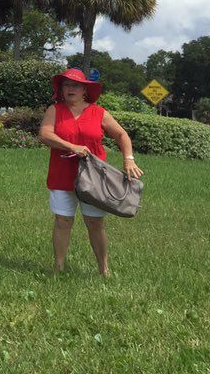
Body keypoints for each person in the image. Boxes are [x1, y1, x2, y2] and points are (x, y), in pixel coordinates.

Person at [38, 68, 143, 277]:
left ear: (85, 89)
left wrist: (128, 159)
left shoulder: (99, 112)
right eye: (66, 85)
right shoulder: (55, 110)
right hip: (62, 175)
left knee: (95, 223)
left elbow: (121, 135)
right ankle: (58, 267)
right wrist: (71, 146)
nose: (70, 89)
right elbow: (45, 134)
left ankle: (104, 269)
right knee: (62, 221)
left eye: (75, 85)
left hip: (94, 178)